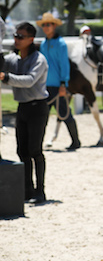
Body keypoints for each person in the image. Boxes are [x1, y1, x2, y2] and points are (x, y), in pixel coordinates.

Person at [0, 22, 49, 204]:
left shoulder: (39, 60)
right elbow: (3, 65)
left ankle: (40, 191)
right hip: (22, 108)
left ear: (31, 39)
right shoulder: (14, 59)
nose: (16, 39)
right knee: (22, 151)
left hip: (37, 108)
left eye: (21, 36)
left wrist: (6, 77)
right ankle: (27, 189)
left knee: (35, 150)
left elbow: (29, 81)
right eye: (15, 36)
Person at [37, 12, 80, 151]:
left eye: (48, 24)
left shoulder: (61, 44)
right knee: (42, 116)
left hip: (58, 86)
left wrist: (63, 84)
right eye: (44, 25)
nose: (46, 27)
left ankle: (76, 141)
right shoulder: (43, 44)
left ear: (54, 26)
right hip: (45, 86)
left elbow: (64, 65)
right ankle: (38, 143)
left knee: (65, 114)